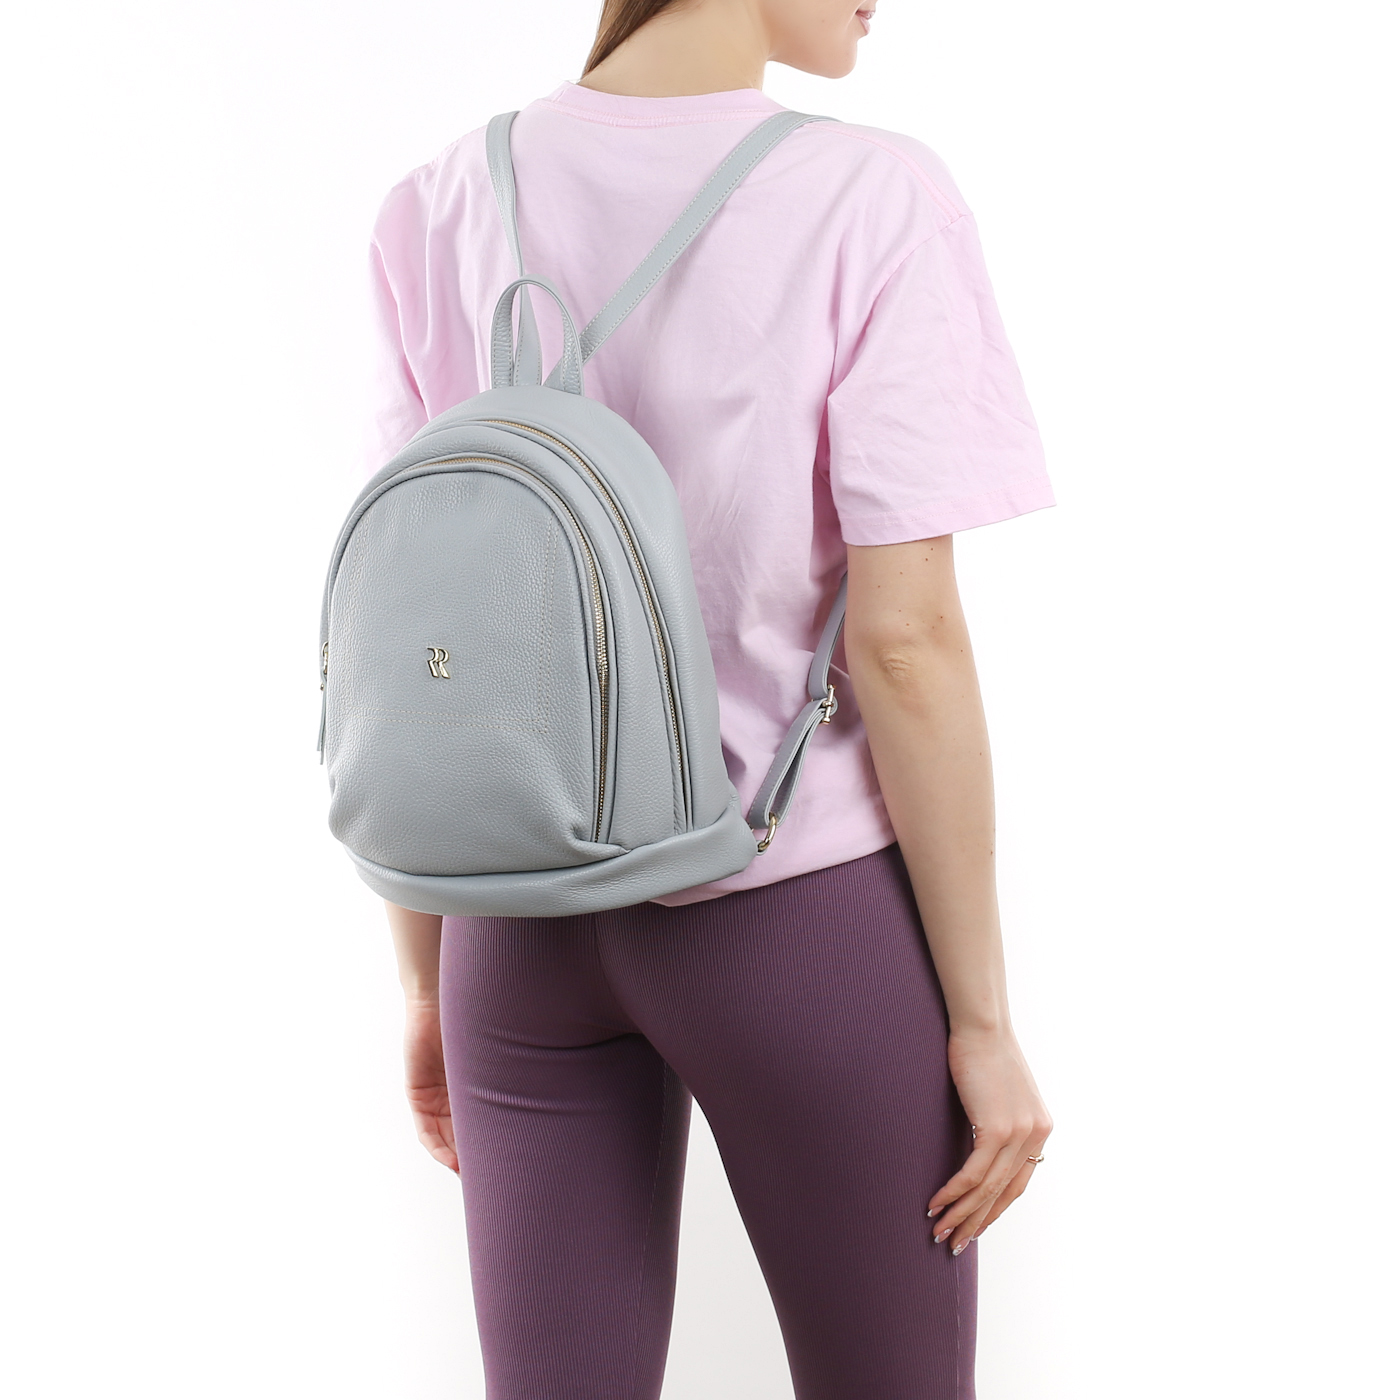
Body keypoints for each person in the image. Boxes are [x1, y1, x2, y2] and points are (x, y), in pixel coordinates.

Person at [367, 1, 1054, 1395]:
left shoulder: (438, 201)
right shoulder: (870, 198)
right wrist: (982, 1025)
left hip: (511, 925)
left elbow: (413, 628)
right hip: (786, 906)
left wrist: (425, 979)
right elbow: (905, 643)